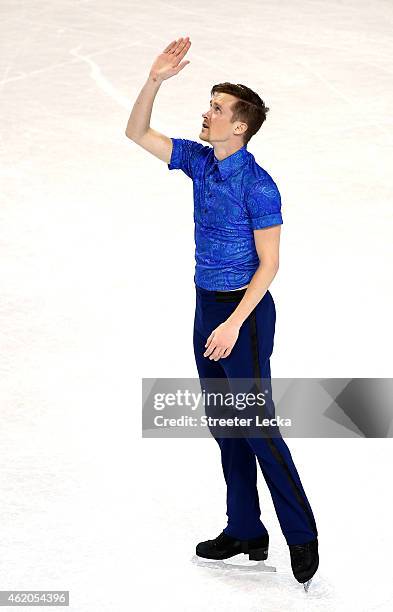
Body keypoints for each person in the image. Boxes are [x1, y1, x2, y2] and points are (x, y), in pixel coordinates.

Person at [126, 36, 319, 590]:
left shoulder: (258, 185)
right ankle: (244, 531)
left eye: (216, 108)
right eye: (208, 104)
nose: (206, 114)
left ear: (241, 125)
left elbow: (270, 265)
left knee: (257, 428)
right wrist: (155, 79)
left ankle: (301, 533)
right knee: (225, 426)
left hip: (245, 314)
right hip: (206, 304)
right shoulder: (200, 162)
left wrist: (233, 324)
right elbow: (136, 133)